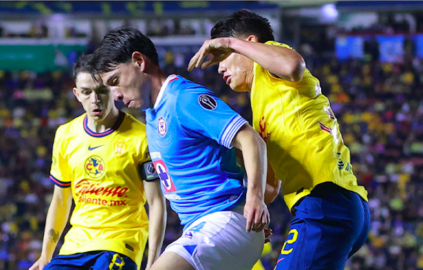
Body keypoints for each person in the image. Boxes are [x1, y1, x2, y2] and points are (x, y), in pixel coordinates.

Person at [188, 10, 371, 270]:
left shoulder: (271, 64)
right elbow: (270, 189)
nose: (219, 67)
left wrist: (229, 42)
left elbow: (293, 65)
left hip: (323, 200)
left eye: (223, 56)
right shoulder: (264, 106)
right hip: (337, 204)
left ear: (249, 44)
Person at [90, 27, 269, 270]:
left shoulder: (182, 99)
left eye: (115, 81)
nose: (115, 95)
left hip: (224, 220)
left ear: (138, 61)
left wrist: (254, 197)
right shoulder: (152, 113)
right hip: (201, 226)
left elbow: (250, 139)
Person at [29, 54, 166, 270]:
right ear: (77, 94)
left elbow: (156, 202)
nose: (95, 100)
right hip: (73, 247)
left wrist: (153, 261)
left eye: (101, 90)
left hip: (120, 246)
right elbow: (60, 200)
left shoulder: (142, 137)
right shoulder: (65, 135)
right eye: (86, 92)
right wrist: (46, 255)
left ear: (113, 88)